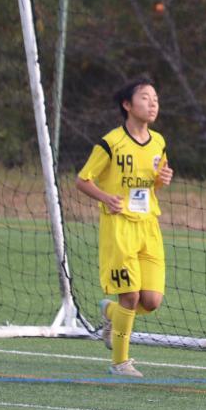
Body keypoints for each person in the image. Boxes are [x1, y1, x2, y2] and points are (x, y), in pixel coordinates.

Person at [75, 78, 174, 378]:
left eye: (155, 98)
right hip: (119, 227)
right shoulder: (111, 142)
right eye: (145, 97)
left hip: (149, 226)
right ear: (127, 105)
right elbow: (82, 180)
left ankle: (111, 313)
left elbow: (154, 182)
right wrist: (106, 198)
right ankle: (120, 362)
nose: (153, 103)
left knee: (151, 301)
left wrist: (161, 180)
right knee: (129, 296)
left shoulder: (159, 142)